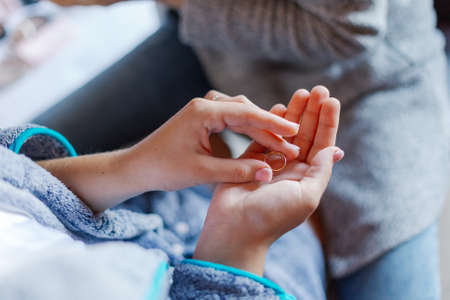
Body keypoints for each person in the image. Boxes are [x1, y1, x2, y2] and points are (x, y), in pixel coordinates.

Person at [34, 0, 449, 298]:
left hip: (367, 85)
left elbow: (349, 28)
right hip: (216, 47)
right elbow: (16, 171)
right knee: (32, 153)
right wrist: (136, 166)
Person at [1, 88, 343, 299]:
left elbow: (16, 186)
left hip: (131, 219)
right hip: (230, 272)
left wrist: (133, 167)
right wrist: (238, 242)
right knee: (304, 236)